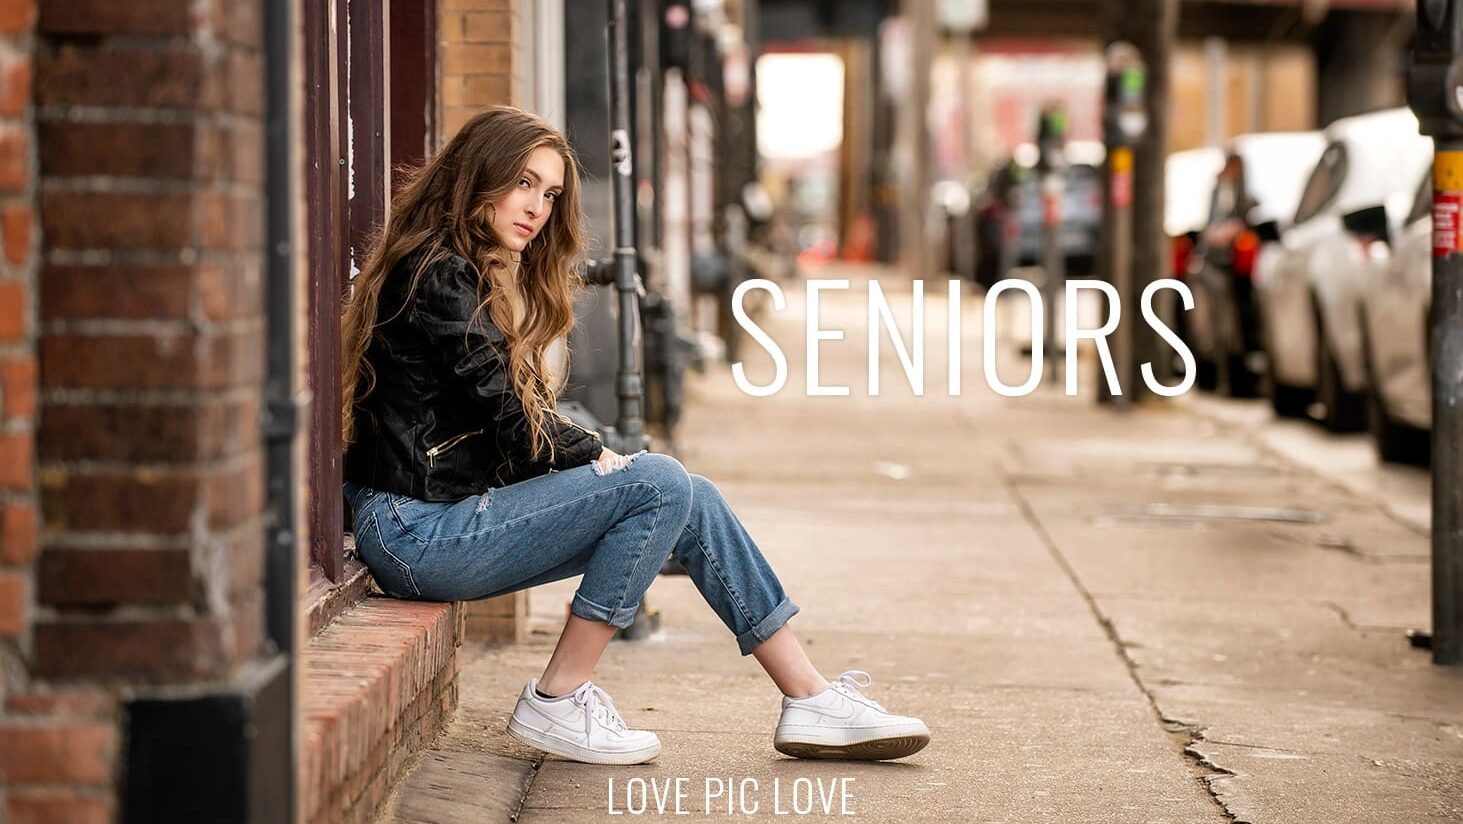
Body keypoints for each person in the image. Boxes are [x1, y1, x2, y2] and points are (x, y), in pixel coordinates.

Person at [339, 106, 929, 766]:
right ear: (479, 177)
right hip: (417, 531)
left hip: (441, 518)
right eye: (523, 183)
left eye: (551, 193)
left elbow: (504, 427)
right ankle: (557, 697)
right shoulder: (438, 276)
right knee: (659, 482)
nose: (537, 207)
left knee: (689, 496)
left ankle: (808, 698)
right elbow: (511, 426)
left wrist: (595, 465)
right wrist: (596, 455)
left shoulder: (462, 271)